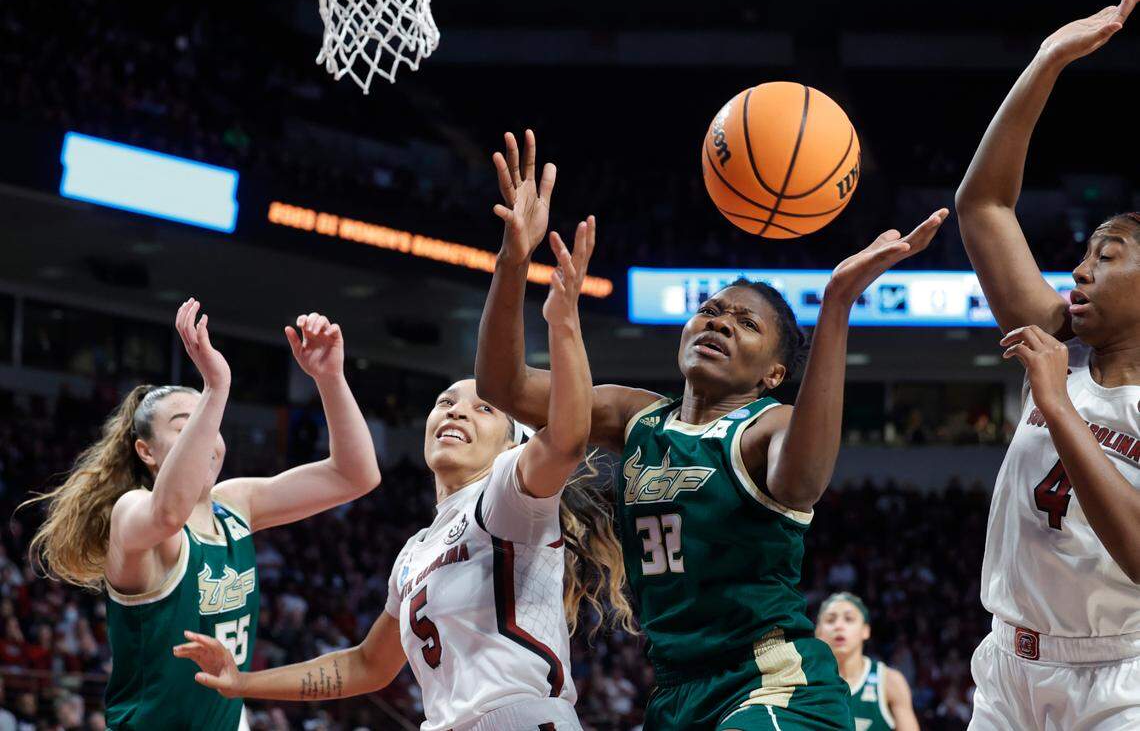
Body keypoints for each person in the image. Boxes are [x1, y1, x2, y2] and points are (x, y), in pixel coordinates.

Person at [475, 129, 947, 730]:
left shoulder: (764, 427)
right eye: (711, 310)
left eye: (745, 323)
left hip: (771, 683)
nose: (719, 323)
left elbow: (803, 480)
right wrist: (513, 262)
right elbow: (503, 387)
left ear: (774, 373)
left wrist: (837, 303)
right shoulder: (634, 414)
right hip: (674, 690)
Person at [175, 227, 635, 731]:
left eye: (483, 408)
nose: (456, 412)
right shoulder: (415, 551)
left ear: (512, 446)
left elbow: (567, 439)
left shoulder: (506, 494)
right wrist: (243, 682)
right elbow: (367, 665)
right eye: (445, 402)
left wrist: (563, 323)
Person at [22, 302, 382, 730]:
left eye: (210, 422)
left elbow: (355, 475)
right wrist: (215, 389)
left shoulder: (236, 504)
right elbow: (168, 512)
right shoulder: (133, 510)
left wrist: (330, 378)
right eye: (185, 425)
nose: (207, 433)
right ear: (146, 451)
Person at [954, 0, 1140, 730]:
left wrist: (1058, 406)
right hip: (1007, 665)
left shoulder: (1057, 376)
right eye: (1084, 254)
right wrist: (1049, 59)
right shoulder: (1056, 338)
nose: (1081, 271)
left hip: (1118, 673)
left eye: (1108, 255)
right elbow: (984, 207)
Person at [816, 592, 919, 731]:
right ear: (818, 632)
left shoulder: (890, 681)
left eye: (849, 618)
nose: (838, 626)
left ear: (865, 630)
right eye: (830, 620)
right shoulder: (799, 683)